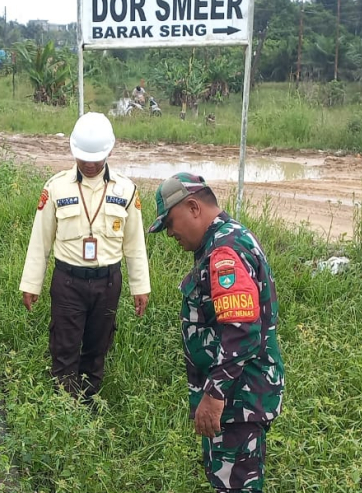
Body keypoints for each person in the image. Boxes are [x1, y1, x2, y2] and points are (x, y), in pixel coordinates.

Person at [148, 173, 285, 493]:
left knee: (234, 486)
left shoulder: (225, 250)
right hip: (237, 397)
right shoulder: (222, 241)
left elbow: (241, 330)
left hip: (238, 398)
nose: (170, 233)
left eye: (170, 222)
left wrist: (214, 395)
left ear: (193, 207)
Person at [20, 112, 151, 404]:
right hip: (67, 281)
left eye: (96, 159)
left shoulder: (126, 190)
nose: (90, 165)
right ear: (73, 152)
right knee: (64, 346)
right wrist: (32, 283)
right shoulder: (56, 187)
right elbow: (39, 240)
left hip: (107, 282)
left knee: (98, 346)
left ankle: (90, 405)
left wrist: (139, 286)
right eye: (84, 158)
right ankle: (66, 408)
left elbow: (134, 244)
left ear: (110, 152)